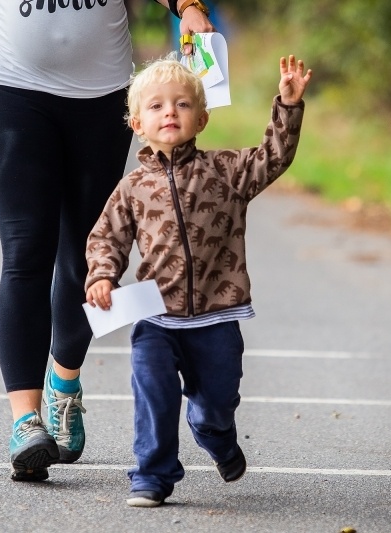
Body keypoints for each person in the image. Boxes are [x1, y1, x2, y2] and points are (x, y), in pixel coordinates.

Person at [0, 0, 214, 482]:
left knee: (88, 256)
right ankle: (25, 423)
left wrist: (187, 7)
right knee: (25, 250)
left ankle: (64, 381)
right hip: (7, 82)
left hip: (100, 93)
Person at [85, 54, 312, 507]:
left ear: (202, 119)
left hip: (218, 316)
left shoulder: (226, 171)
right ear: (137, 124)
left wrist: (287, 107)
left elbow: (273, 158)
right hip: (156, 316)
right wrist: (103, 276)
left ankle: (215, 434)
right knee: (154, 393)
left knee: (216, 403)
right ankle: (152, 474)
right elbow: (106, 237)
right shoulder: (131, 188)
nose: (170, 112)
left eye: (183, 104)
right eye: (156, 106)